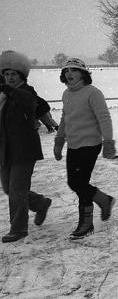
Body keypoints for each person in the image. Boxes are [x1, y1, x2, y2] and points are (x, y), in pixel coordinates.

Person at [53, 58, 116, 240]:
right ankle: (103, 201)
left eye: (73, 70)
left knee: (78, 183)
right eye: (66, 71)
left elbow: (104, 117)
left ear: (83, 74)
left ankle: (87, 222)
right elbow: (65, 118)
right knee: (76, 183)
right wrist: (59, 140)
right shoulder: (66, 94)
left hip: (90, 144)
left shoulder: (93, 93)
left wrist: (108, 141)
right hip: (73, 144)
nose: (69, 74)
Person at [0, 51, 52, 242]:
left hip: (24, 149)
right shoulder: (3, 96)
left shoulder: (27, 92)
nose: (10, 78)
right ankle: (40, 203)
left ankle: (19, 228)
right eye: (7, 74)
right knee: (9, 188)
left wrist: (9, 90)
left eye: (14, 74)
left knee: (17, 190)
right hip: (5, 149)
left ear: (21, 75)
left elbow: (29, 102)